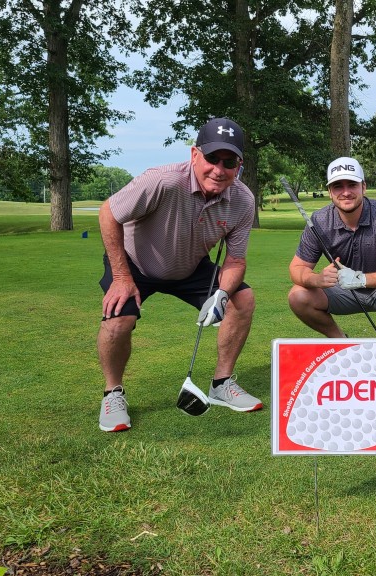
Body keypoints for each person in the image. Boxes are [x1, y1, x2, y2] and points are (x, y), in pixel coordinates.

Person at [96, 117, 262, 432]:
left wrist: (221, 297)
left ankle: (221, 384)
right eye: (212, 158)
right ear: (194, 155)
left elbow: (236, 260)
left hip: (189, 265)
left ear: (239, 165)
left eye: (229, 162)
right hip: (136, 262)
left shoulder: (243, 200)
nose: (219, 168)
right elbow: (109, 213)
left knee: (243, 299)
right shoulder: (162, 180)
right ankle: (112, 393)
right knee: (119, 319)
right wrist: (121, 276)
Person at [288, 157, 376, 338]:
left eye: (352, 184)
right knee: (298, 296)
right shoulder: (319, 220)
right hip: (342, 291)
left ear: (363, 187)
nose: (346, 192)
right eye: (338, 186)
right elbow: (296, 268)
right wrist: (316, 279)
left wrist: (361, 279)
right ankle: (341, 341)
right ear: (330, 192)